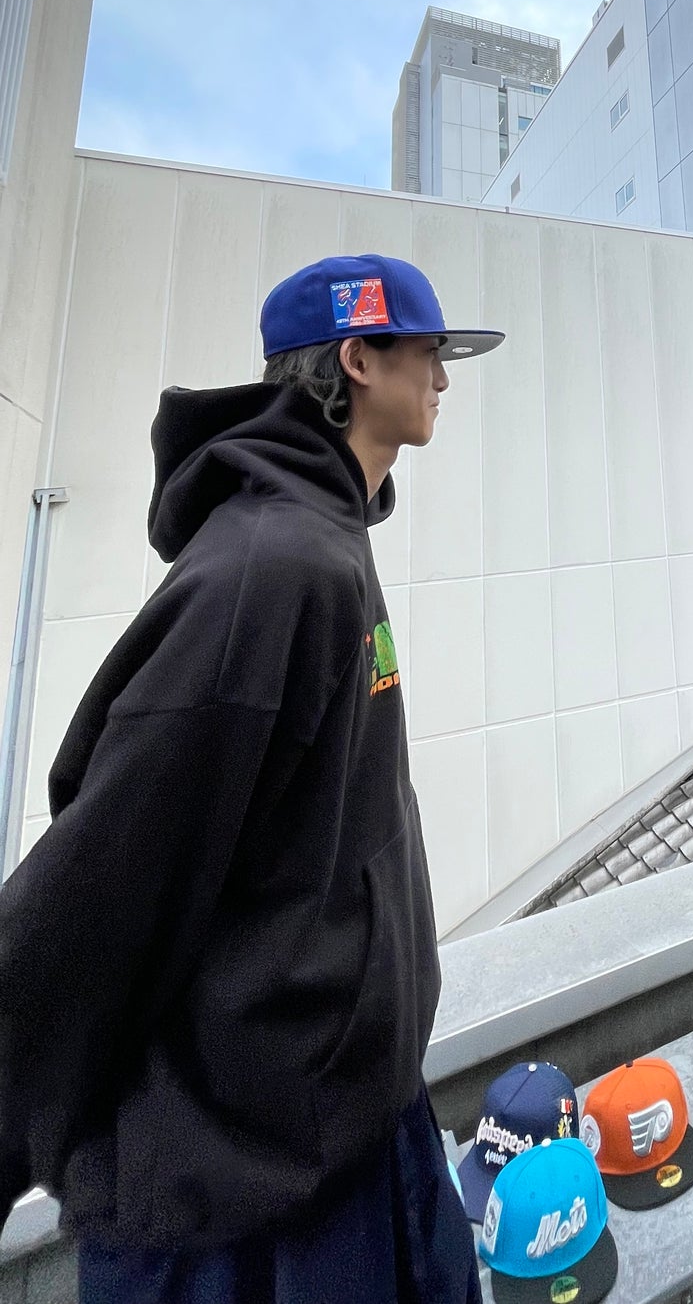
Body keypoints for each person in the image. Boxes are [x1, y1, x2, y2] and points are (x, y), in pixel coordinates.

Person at [0, 254, 503, 1303]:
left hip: (349, 1137)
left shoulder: (328, 538)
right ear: (358, 359)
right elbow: (96, 888)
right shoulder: (269, 570)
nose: (444, 380)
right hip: (239, 1217)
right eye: (429, 355)